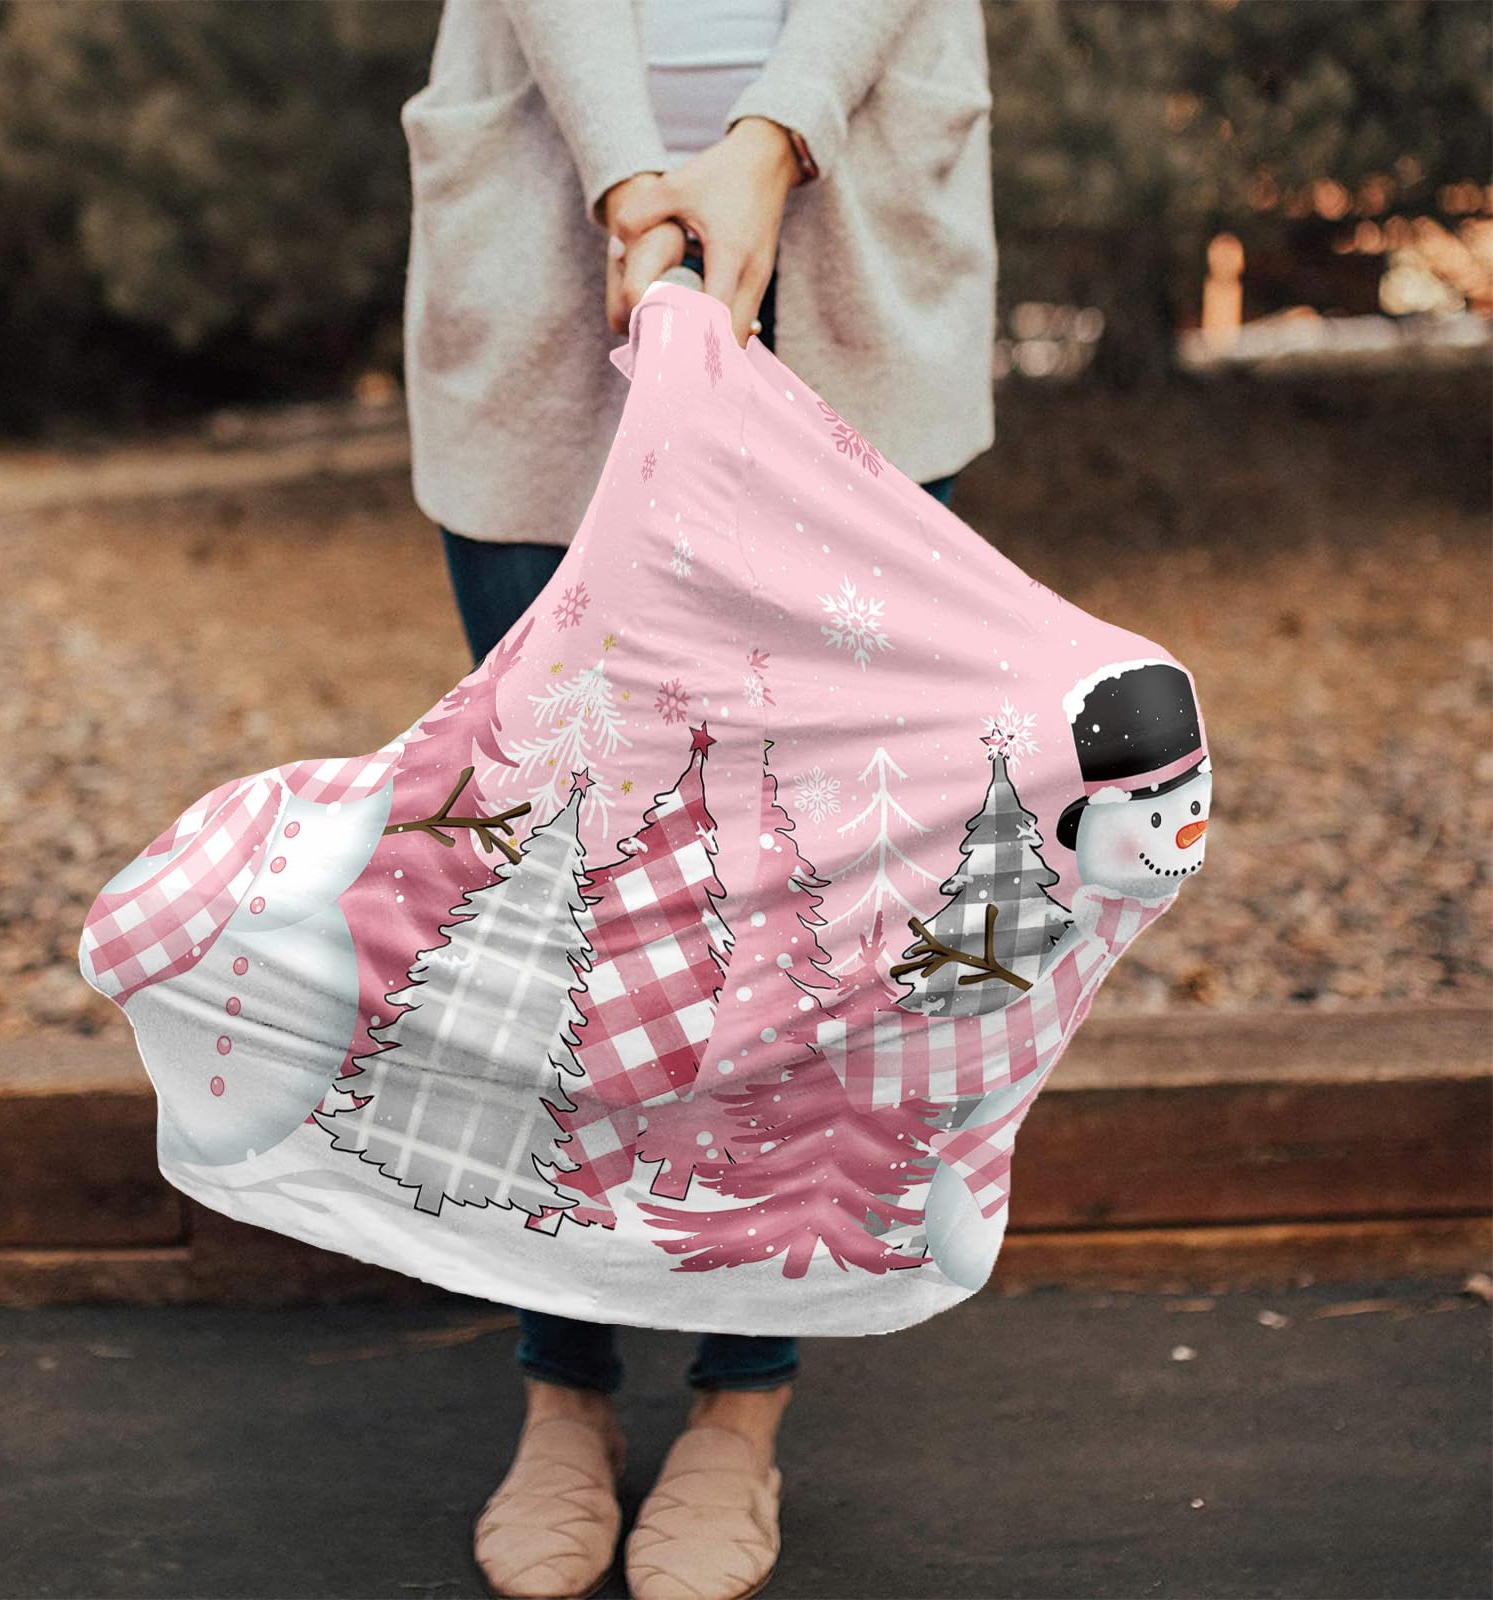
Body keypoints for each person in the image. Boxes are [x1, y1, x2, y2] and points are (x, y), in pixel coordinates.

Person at [399, 4, 996, 1595]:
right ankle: (564, 1382)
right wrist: (629, 179)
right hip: (548, 223)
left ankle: (743, 1400)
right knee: (559, 875)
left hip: (853, 232)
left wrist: (772, 139)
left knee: (810, 876)